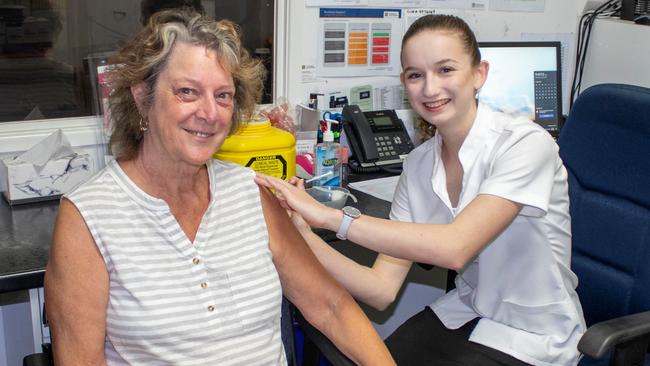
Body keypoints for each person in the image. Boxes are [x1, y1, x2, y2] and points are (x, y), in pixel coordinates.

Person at [44, 9, 395, 365]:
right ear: (142, 97)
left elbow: (331, 306)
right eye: (187, 92)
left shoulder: (249, 192)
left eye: (223, 96)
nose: (210, 113)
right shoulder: (88, 216)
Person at [255, 14, 586, 366]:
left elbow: (456, 248)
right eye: (415, 75)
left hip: (535, 334)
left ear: (479, 74)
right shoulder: (417, 166)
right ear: (404, 83)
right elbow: (380, 289)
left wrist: (331, 217)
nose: (429, 89)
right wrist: (302, 234)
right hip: (466, 312)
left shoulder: (524, 144)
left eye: (445, 70)